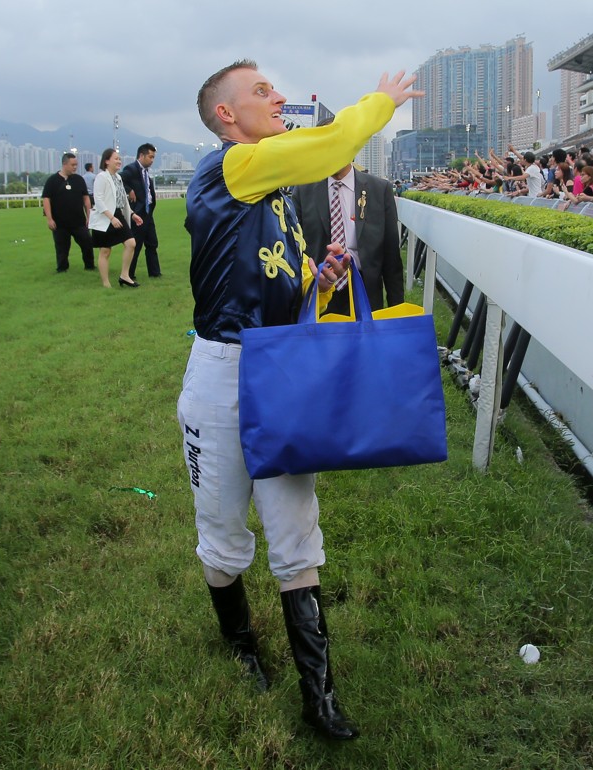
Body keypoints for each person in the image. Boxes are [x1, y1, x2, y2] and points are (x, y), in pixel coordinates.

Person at [180, 60, 418, 742]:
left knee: (294, 533)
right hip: (223, 376)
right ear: (227, 115)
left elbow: (284, 281)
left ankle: (321, 697)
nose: (278, 96)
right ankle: (240, 645)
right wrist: (379, 103)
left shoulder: (273, 193)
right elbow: (332, 147)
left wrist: (319, 279)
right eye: (261, 91)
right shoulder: (234, 166)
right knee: (225, 545)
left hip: (280, 373)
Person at [289, 156, 403, 318]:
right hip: (321, 288)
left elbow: (391, 256)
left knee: (366, 342)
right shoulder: (303, 190)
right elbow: (295, 248)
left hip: (365, 289)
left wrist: (396, 312)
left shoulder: (379, 189)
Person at [89, 148, 141, 288]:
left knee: (131, 243)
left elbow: (123, 199)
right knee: (105, 251)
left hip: (118, 214)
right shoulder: (101, 177)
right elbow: (98, 199)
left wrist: (132, 214)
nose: (119, 161)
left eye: (119, 159)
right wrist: (111, 217)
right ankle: (106, 283)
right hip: (105, 217)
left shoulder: (118, 178)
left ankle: (124, 275)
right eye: (116, 158)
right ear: (107, 161)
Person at [40, 152, 94, 272]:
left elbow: (86, 199)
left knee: (87, 243)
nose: (75, 167)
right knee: (62, 248)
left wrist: (89, 216)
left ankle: (89, 266)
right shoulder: (52, 180)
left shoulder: (79, 180)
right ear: (64, 164)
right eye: (72, 165)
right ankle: (62, 268)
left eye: (76, 165)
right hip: (60, 223)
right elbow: (46, 199)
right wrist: (49, 219)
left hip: (79, 222)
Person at [120, 143, 162, 280]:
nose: (152, 160)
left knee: (152, 243)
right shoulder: (131, 169)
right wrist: (129, 190)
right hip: (138, 214)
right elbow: (119, 180)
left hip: (148, 213)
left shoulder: (145, 173)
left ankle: (155, 273)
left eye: (153, 157)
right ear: (141, 155)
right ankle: (129, 274)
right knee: (136, 245)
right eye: (150, 157)